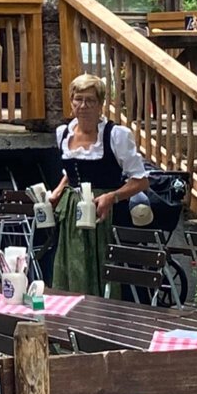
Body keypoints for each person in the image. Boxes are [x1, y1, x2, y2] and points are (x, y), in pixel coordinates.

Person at [45, 74, 149, 293]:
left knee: (103, 270)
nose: (83, 106)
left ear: (101, 104)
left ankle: (104, 311)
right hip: (73, 214)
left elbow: (141, 181)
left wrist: (112, 197)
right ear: (71, 102)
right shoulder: (63, 133)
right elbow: (70, 172)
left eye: (90, 100)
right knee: (72, 268)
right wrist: (58, 190)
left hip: (106, 215)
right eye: (78, 99)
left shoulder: (116, 135)